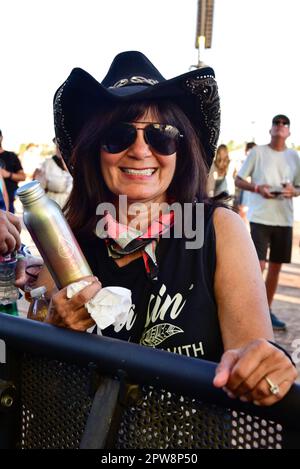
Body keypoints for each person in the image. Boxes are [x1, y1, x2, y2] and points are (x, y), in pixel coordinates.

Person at [32, 52, 296, 406]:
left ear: (181, 149)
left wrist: (265, 364)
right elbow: (39, 393)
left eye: (162, 135)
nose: (141, 150)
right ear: (97, 149)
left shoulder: (219, 229)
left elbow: (253, 352)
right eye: (118, 135)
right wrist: (56, 335)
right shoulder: (64, 241)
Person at [235, 115, 300, 331]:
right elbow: (238, 179)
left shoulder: (294, 157)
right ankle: (248, 311)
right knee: (258, 265)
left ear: (289, 132)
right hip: (260, 216)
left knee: (275, 268)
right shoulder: (258, 152)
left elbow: (299, 188)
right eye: (276, 123)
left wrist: (293, 191)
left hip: (284, 218)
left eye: (285, 124)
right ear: (270, 129)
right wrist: (257, 188)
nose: (280, 126)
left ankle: (267, 312)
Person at [32, 138, 73, 208]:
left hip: (71, 204)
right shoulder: (48, 163)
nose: (60, 148)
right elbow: (39, 187)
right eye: (58, 146)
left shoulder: (74, 162)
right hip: (53, 204)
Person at [0, 130, 26, 213]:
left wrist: (8, 174)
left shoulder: (11, 156)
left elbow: (23, 177)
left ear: (1, 137)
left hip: (9, 201)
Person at [235, 142, 256, 222]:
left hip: (250, 191)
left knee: (244, 212)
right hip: (245, 190)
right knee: (242, 211)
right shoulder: (243, 162)